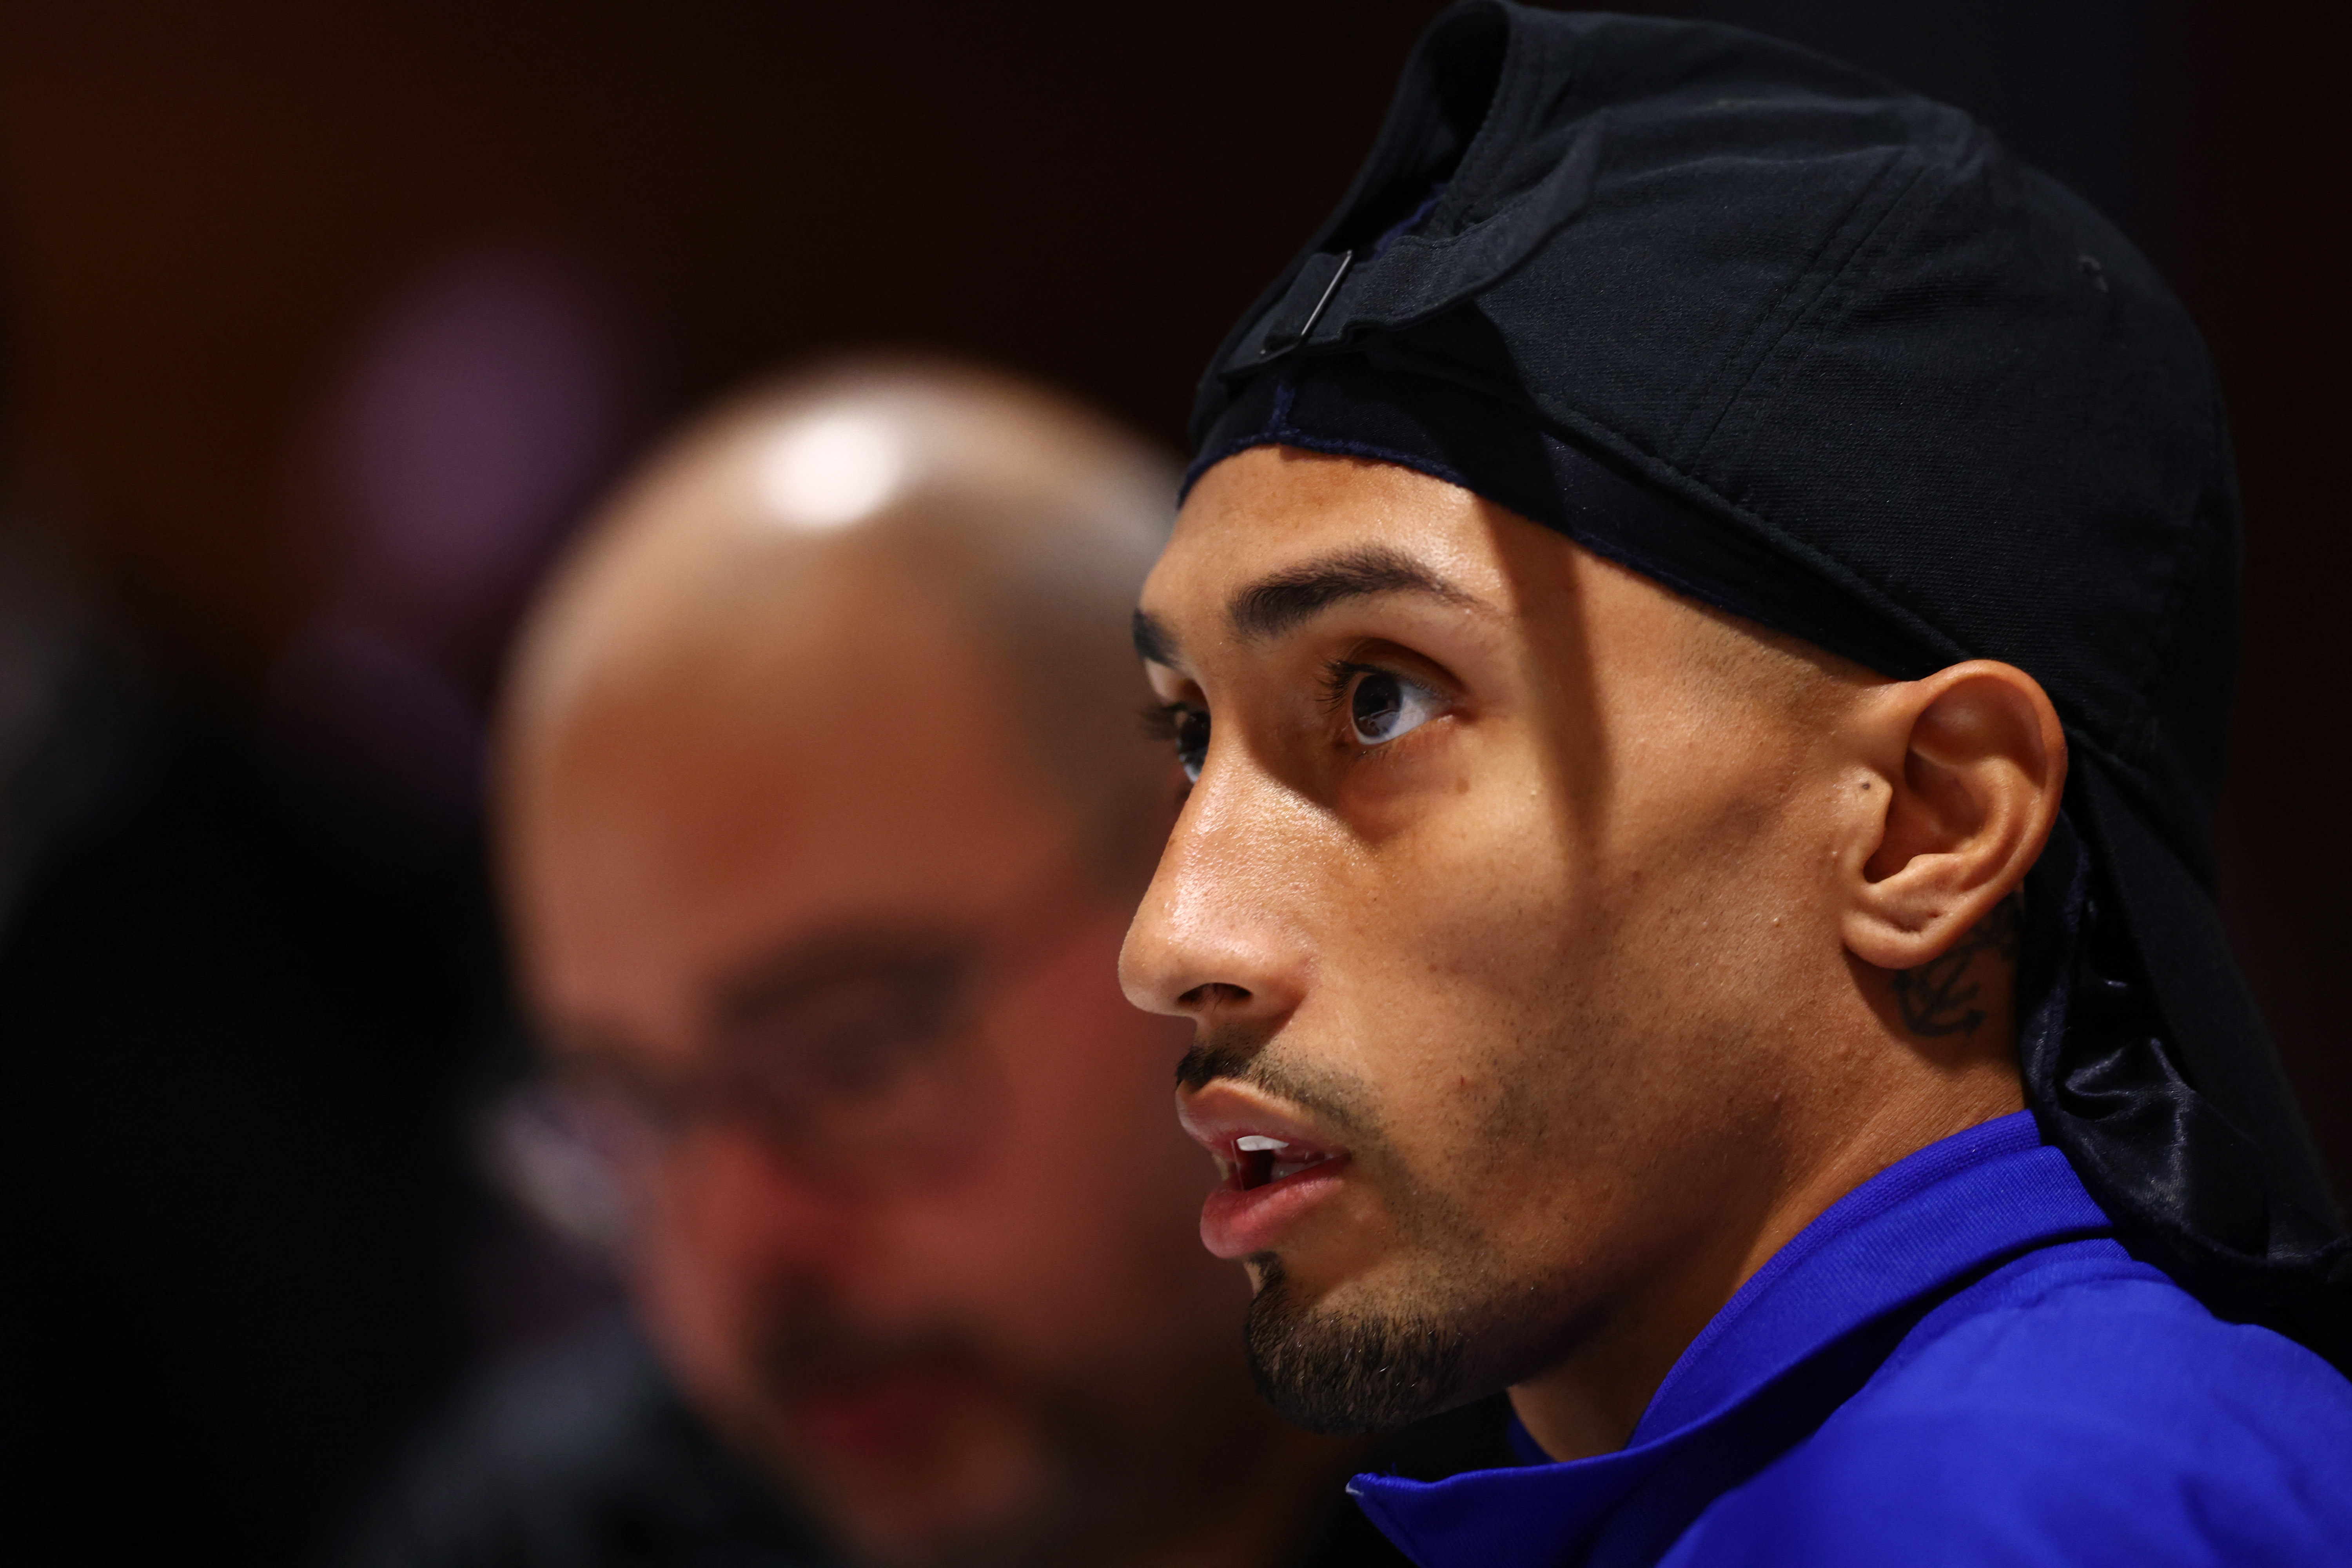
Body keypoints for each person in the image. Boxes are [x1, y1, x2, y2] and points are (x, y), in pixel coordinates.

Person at [1115, 6, 2352, 1565]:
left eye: (1381, 699)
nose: (1171, 939)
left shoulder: (1996, 1504)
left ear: (1929, 823)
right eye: (1186, 733)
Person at [344, 359, 1506, 1568]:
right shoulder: (545, 1539)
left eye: (849, 1054)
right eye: (629, 1112)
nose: (745, 1253)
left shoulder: (1635, 1460)